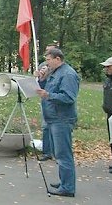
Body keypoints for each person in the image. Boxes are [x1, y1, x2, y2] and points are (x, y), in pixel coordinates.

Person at [36, 48, 80, 197]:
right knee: (58, 153)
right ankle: (64, 181)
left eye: (48, 60)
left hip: (62, 118)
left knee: (63, 154)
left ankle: (68, 187)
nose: (46, 64)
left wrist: (49, 95)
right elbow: (44, 89)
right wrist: (41, 79)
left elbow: (69, 98)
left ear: (58, 59)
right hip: (52, 117)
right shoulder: (54, 72)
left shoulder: (68, 74)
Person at [100, 56, 112, 174]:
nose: (107, 69)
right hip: (110, 114)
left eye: (109, 66)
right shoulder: (108, 79)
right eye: (105, 67)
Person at [37, 63, 53, 161]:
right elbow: (40, 88)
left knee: (54, 129)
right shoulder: (44, 78)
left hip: (54, 105)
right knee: (45, 128)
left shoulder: (54, 77)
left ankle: (55, 152)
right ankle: (46, 152)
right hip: (45, 105)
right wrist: (41, 78)